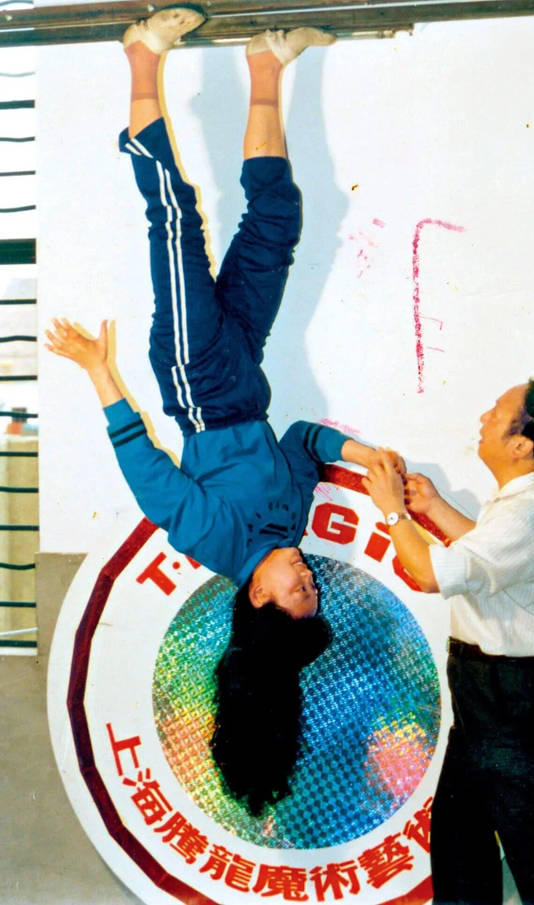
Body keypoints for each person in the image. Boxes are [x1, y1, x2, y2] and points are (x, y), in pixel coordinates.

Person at [46, 7, 401, 815]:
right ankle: (266, 62)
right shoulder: (289, 523)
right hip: (246, 367)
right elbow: (303, 440)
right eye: (313, 586)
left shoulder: (216, 540)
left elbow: (150, 475)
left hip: (198, 377)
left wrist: (102, 374)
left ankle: (141, 58)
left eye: (297, 590)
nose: (307, 575)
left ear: (258, 598)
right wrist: (359, 453)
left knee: (173, 216)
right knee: (277, 223)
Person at [363, 378, 534, 905]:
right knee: (460, 845)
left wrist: (394, 511)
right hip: (492, 698)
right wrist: (434, 506)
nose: (483, 419)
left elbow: (430, 574)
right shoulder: (531, 495)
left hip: (511, 700)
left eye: (497, 413)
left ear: (521, 445)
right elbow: (491, 558)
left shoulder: (529, 510)